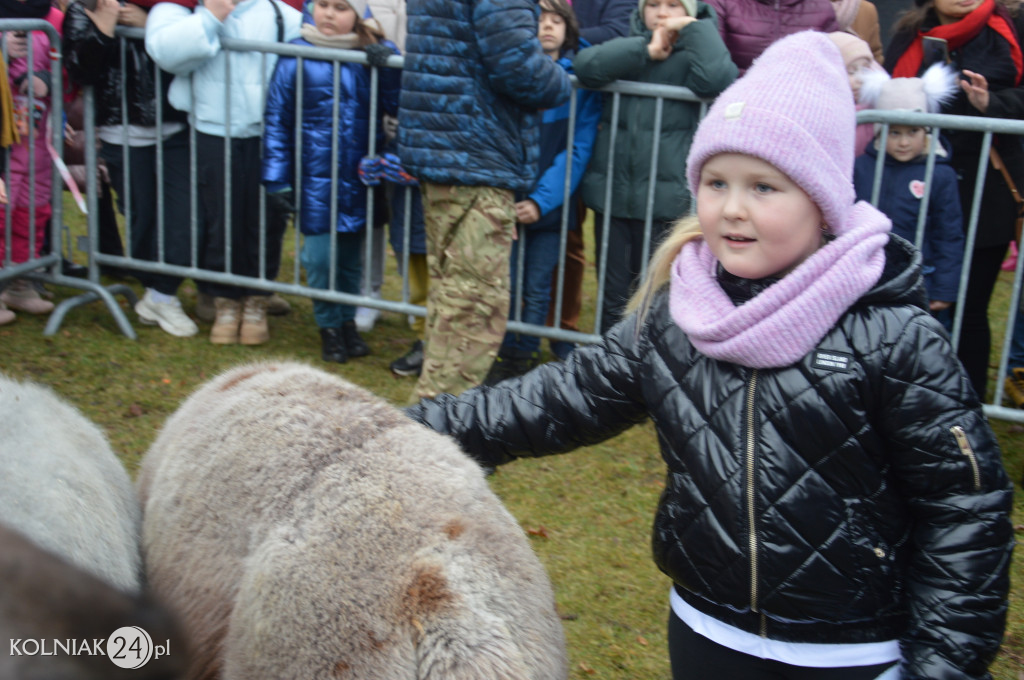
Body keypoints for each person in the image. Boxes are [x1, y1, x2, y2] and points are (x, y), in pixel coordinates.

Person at [406, 31, 1014, 680]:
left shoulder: (892, 335)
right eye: (716, 181)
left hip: (852, 653)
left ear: (824, 198)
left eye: (765, 187)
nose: (731, 209)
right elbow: (557, 400)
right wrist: (409, 432)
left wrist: (943, 666)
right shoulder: (676, 316)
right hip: (706, 633)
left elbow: (963, 509)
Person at [396, 0, 573, 401]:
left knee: (453, 297)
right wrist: (560, 79)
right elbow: (518, 65)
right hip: (476, 152)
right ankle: (436, 434)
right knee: (472, 307)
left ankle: (433, 424)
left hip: (446, 147)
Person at [886, 0, 1024, 399]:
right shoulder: (908, 34)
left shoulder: (1009, 30)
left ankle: (970, 404)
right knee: (906, 300)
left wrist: (991, 105)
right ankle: (906, 400)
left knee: (970, 306)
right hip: (915, 191)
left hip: (988, 188)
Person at [574, 0, 736, 333]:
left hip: (666, 200)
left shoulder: (697, 53)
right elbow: (586, 67)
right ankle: (605, 368)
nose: (661, 13)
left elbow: (717, 79)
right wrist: (645, 50)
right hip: (615, 196)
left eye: (673, 5)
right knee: (613, 291)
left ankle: (647, 365)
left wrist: (693, 30)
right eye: (653, 4)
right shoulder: (631, 47)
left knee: (658, 291)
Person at [145, 0, 302, 345]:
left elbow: (320, 39)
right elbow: (167, 53)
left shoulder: (279, 12)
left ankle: (257, 300)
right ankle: (225, 301)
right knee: (219, 218)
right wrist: (211, 16)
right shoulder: (183, 9)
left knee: (265, 219)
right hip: (212, 131)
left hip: (268, 134)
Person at [262, 0, 399, 364]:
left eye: (340, 7)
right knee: (320, 257)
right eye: (322, 4)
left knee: (351, 259)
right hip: (313, 179)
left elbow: (396, 102)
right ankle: (329, 327)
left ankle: (347, 322)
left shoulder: (367, 56)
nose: (328, 14)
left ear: (356, 14)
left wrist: (387, 64)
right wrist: (277, 177)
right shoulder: (295, 54)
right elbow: (276, 118)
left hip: (357, 177)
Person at [63, 0, 199, 338]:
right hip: (122, 130)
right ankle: (158, 293)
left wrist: (152, 24)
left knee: (185, 213)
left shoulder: (171, 8)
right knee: (141, 215)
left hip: (175, 125)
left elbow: (196, 41)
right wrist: (105, 27)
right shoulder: (85, 8)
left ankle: (161, 294)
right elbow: (81, 69)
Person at [484, 0, 601, 383]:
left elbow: (576, 149)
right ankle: (501, 352)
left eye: (556, 21)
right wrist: (509, 195)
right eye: (539, 20)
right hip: (507, 200)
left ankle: (524, 355)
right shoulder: (511, 75)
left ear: (568, 29)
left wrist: (540, 200)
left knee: (536, 286)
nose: (547, 27)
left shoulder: (580, 83)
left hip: (550, 208)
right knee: (506, 281)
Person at [545, 0, 634, 361]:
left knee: (570, 237)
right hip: (544, 115)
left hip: (585, 119)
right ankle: (519, 330)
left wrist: (563, 34)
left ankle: (563, 327)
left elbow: (618, 31)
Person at [854, 63, 965, 328]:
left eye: (912, 132)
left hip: (918, 276)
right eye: (895, 132)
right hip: (867, 272)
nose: (903, 142)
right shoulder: (861, 167)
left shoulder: (940, 174)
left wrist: (945, 288)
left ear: (926, 130)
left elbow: (948, 233)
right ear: (882, 131)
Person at [0, 18, 56, 318]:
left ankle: (20, 282)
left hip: (35, 141)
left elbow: (67, 64)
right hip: (4, 141)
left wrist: (47, 78)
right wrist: (2, 51)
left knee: (31, 211)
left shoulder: (49, 18)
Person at [705, 0, 838, 74]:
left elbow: (833, 69)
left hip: (802, 107)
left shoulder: (822, 7)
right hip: (735, 106)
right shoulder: (721, 3)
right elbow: (713, 66)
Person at [827, 31, 883, 158]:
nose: (860, 78)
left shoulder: (876, 107)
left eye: (865, 70)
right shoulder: (825, 110)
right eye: (851, 72)